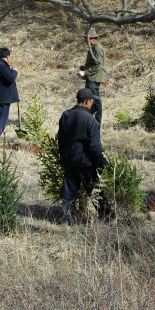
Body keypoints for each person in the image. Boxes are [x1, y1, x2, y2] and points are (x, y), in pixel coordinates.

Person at [57, 88, 109, 225]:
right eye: (91, 101)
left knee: (69, 193)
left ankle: (69, 221)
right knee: (95, 191)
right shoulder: (90, 120)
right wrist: (103, 163)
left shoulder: (65, 115)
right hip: (85, 161)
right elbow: (94, 147)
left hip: (69, 159)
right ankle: (108, 217)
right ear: (86, 102)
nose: (92, 104)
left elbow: (60, 139)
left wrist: (62, 157)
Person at [0, 47, 19, 143]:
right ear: (7, 56)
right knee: (0, 121)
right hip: (2, 99)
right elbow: (10, 78)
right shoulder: (1, 66)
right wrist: (14, 71)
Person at [78, 28, 106, 123]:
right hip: (92, 77)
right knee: (92, 101)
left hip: (94, 78)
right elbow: (93, 64)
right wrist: (85, 68)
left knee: (95, 101)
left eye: (86, 38)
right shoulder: (93, 48)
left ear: (91, 38)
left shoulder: (97, 49)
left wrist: (85, 73)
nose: (85, 40)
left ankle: (97, 122)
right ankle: (90, 121)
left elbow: (98, 66)